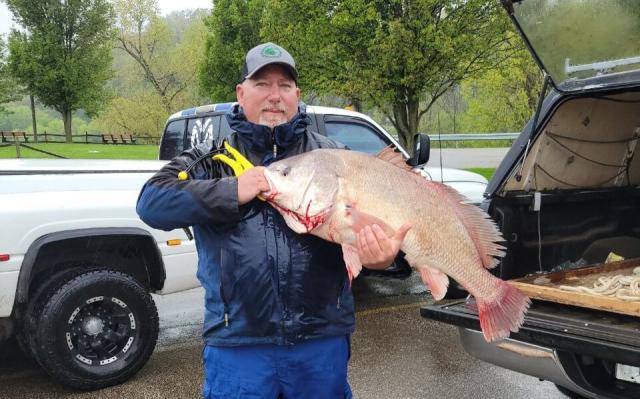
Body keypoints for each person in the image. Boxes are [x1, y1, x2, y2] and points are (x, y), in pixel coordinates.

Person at [136, 42, 410, 399]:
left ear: (297, 94)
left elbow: (380, 231)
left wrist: (383, 257)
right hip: (238, 344)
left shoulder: (336, 158)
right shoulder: (211, 160)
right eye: (262, 84)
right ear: (241, 92)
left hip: (320, 341)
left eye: (284, 85)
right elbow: (152, 202)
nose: (274, 96)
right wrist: (232, 190)